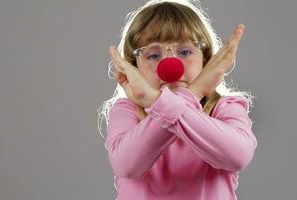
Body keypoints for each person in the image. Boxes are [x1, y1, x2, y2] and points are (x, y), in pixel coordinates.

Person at [97, 0, 258, 199]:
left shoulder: (225, 107)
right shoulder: (126, 111)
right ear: (134, 68)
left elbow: (238, 155)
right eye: (153, 55)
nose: (170, 65)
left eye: (185, 52)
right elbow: (126, 165)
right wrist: (194, 91)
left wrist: (157, 101)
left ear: (205, 61)